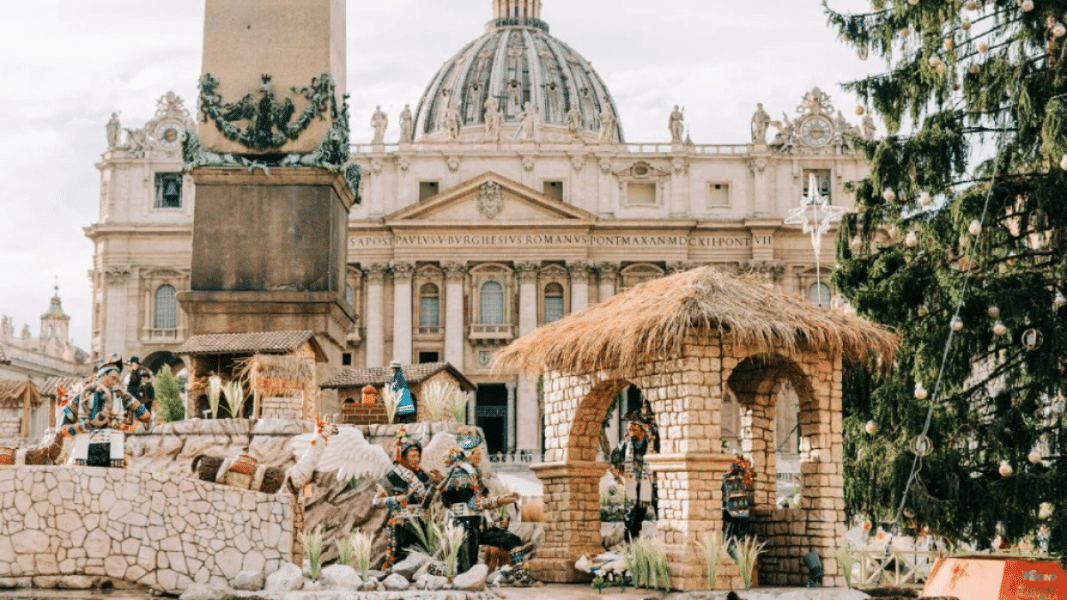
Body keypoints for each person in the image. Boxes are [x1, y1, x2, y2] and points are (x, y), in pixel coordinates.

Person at [440, 428, 538, 585]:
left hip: (478, 524)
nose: (479, 458)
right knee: (467, 570)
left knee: (512, 540)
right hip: (464, 526)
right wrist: (501, 500)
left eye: (480, 455)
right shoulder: (460, 474)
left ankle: (521, 576)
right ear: (468, 456)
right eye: (476, 455)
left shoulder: (473, 475)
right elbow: (474, 504)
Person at [372, 427, 441, 570]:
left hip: (421, 523)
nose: (416, 460)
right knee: (398, 558)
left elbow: (428, 502)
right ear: (403, 456)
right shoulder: (393, 476)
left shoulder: (422, 476)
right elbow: (376, 502)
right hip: (401, 524)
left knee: (423, 556)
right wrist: (396, 500)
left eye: (418, 456)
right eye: (412, 456)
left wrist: (435, 486)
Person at [610, 407, 657, 541]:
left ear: (642, 430)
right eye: (629, 429)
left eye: (634, 430)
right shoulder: (626, 444)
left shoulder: (651, 442)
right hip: (633, 484)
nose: (631, 432)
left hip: (651, 482)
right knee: (631, 519)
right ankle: (631, 547)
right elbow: (614, 461)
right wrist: (621, 477)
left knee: (660, 513)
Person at [722, 454, 755, 542]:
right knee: (735, 527)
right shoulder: (725, 478)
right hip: (731, 507)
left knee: (742, 527)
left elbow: (749, 478)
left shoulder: (739, 477)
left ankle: (738, 541)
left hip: (741, 508)